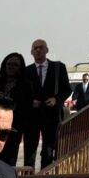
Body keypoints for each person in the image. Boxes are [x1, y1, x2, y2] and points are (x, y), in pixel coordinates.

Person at [24, 39, 72, 169]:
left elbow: (67, 89)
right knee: (29, 153)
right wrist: (30, 101)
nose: (38, 50)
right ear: (31, 52)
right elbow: (21, 92)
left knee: (48, 152)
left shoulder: (58, 68)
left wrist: (56, 99)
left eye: (41, 47)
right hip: (32, 118)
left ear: (47, 50)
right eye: (35, 48)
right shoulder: (26, 71)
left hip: (51, 116)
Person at [0, 53, 33, 167]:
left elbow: (27, 108)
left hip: (13, 129)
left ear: (20, 68)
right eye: (9, 64)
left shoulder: (25, 84)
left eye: (15, 65)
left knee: (9, 160)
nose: (11, 67)